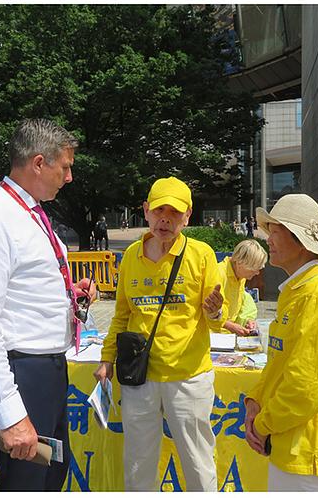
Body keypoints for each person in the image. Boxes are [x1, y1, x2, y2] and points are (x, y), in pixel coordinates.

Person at [0, 119, 96, 491]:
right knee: (25, 482)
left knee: (49, 475)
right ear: (38, 163)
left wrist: (69, 295)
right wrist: (11, 415)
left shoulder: (29, 212)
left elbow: (22, 287)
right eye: (64, 167)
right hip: (23, 373)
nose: (69, 177)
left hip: (48, 371)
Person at [94, 177, 225, 491]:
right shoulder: (130, 257)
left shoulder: (202, 255)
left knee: (198, 463)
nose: (165, 219)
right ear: (145, 210)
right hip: (140, 378)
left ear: (187, 216)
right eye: (158, 210)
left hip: (189, 377)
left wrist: (214, 312)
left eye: (174, 212)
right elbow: (122, 315)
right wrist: (107, 359)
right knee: (138, 464)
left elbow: (217, 321)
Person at [243, 194, 318, 491]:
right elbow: (280, 363)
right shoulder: (299, 291)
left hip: (308, 450)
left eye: (276, 230)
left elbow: (305, 386)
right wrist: (255, 401)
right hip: (291, 442)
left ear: (301, 241)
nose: (268, 239)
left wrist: (262, 424)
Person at [216, 239, 268, 336]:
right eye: (253, 269)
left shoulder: (240, 276)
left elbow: (241, 304)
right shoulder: (218, 274)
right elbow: (207, 311)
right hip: (212, 336)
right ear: (240, 263)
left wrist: (248, 321)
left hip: (227, 335)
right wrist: (230, 326)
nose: (257, 273)